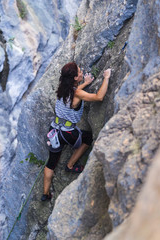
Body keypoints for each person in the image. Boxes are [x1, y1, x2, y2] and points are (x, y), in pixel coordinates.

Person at [41, 62, 111, 201]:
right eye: (79, 72)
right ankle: (70, 165)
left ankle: (45, 194)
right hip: (67, 133)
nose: (81, 72)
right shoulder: (77, 92)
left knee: (51, 163)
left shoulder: (62, 88)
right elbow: (99, 97)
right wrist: (107, 77)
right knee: (88, 138)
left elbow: (74, 96)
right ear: (74, 78)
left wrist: (85, 83)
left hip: (54, 130)